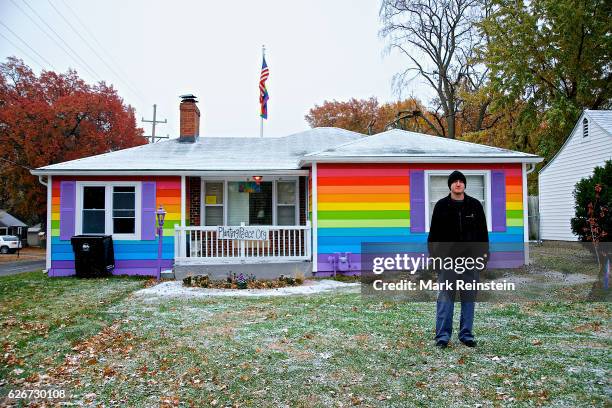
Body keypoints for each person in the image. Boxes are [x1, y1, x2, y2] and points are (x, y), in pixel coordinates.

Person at [427, 171, 489, 348]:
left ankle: (466, 334)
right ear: (450, 185)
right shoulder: (441, 206)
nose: (458, 184)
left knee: (468, 299)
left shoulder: (475, 206)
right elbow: (433, 236)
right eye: (455, 181)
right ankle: (442, 337)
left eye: (461, 181)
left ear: (464, 185)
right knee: (446, 300)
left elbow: (483, 234)